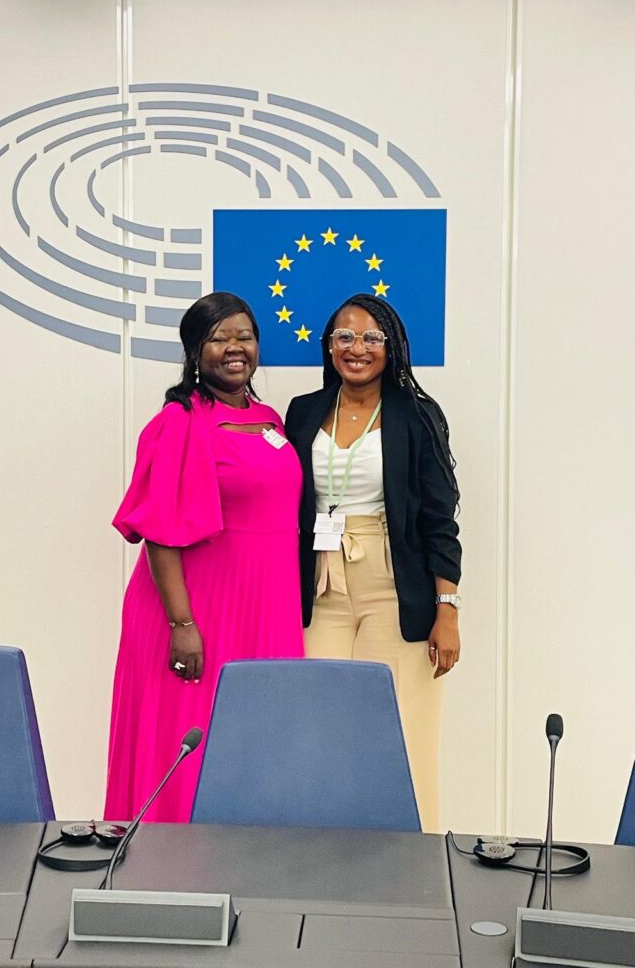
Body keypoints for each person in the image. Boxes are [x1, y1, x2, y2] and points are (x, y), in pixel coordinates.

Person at [105, 292, 304, 822]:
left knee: (256, 743)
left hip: (266, 608)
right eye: (219, 338)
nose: (235, 348)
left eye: (245, 336)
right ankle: (170, 871)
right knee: (186, 742)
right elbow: (159, 534)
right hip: (198, 611)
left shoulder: (269, 420)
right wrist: (183, 623)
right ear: (196, 351)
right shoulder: (180, 421)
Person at [284, 293, 461, 831]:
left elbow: (440, 517)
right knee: (321, 725)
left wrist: (446, 609)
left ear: (392, 346)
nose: (356, 348)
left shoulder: (416, 415)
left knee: (403, 731)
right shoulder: (304, 411)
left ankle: (415, 860)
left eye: (370, 338)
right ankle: (327, 858)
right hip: (321, 585)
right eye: (344, 337)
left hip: (393, 583)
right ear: (328, 346)